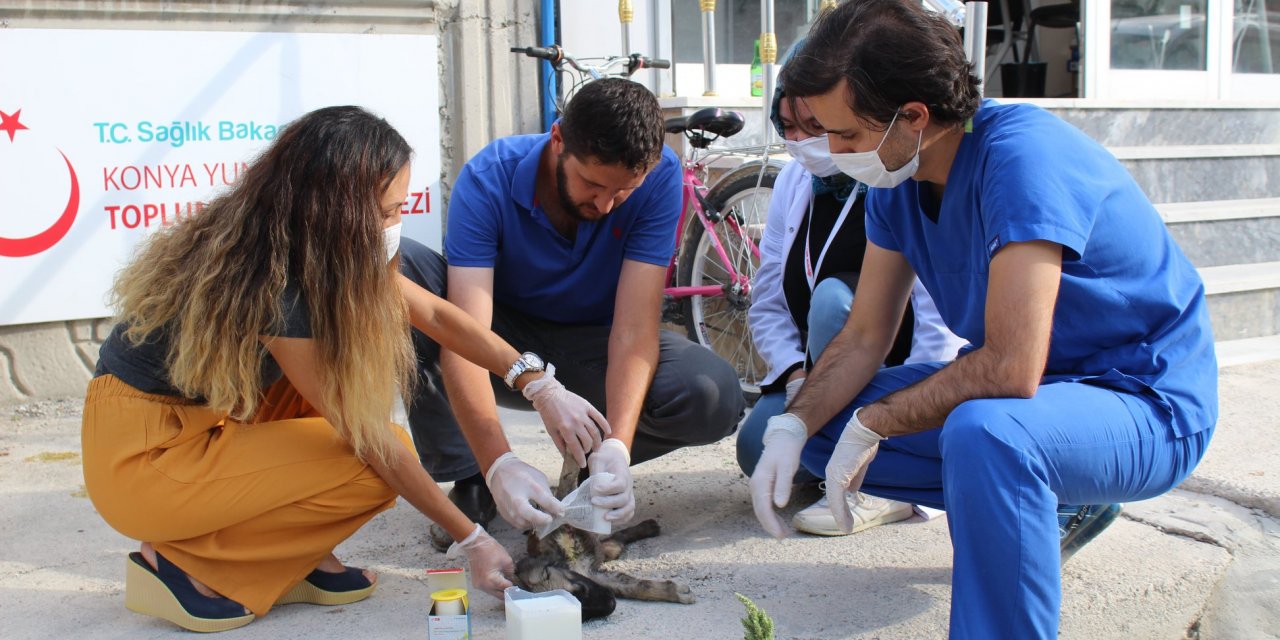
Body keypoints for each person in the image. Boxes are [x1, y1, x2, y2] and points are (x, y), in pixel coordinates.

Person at [749, 2, 1218, 638]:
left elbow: (1010, 367)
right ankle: (1046, 511)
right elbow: (862, 337)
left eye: (848, 135)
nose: (833, 151)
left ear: (913, 116)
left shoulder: (1023, 158)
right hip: (1042, 404)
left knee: (987, 432)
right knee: (818, 424)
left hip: (1145, 400)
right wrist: (793, 423)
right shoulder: (897, 176)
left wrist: (878, 421)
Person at [82, 106, 593, 632]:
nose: (397, 226)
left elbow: (439, 316)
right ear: (339, 208)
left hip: (195, 424)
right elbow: (370, 439)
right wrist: (473, 539)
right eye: (388, 212)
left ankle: (291, 558)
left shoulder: (301, 243)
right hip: (145, 459)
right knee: (366, 468)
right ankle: (181, 565)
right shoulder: (275, 282)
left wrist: (538, 382)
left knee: (337, 393)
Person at [399, 77, 745, 549]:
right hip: (503, 343)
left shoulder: (661, 177)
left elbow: (634, 329)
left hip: (594, 347)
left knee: (713, 393)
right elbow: (464, 335)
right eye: (593, 184)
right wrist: (499, 459)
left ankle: (592, 462)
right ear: (558, 139)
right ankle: (474, 474)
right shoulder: (488, 179)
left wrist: (618, 446)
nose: (605, 205)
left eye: (622, 192)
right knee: (405, 276)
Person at [738, 46, 965, 536]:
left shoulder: (893, 177)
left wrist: (892, 418)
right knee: (757, 446)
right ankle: (836, 440)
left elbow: (936, 324)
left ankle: (883, 488)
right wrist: (798, 383)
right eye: (786, 127)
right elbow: (769, 297)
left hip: (895, 363)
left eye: (820, 128)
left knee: (833, 301)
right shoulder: (796, 182)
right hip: (831, 363)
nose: (801, 142)